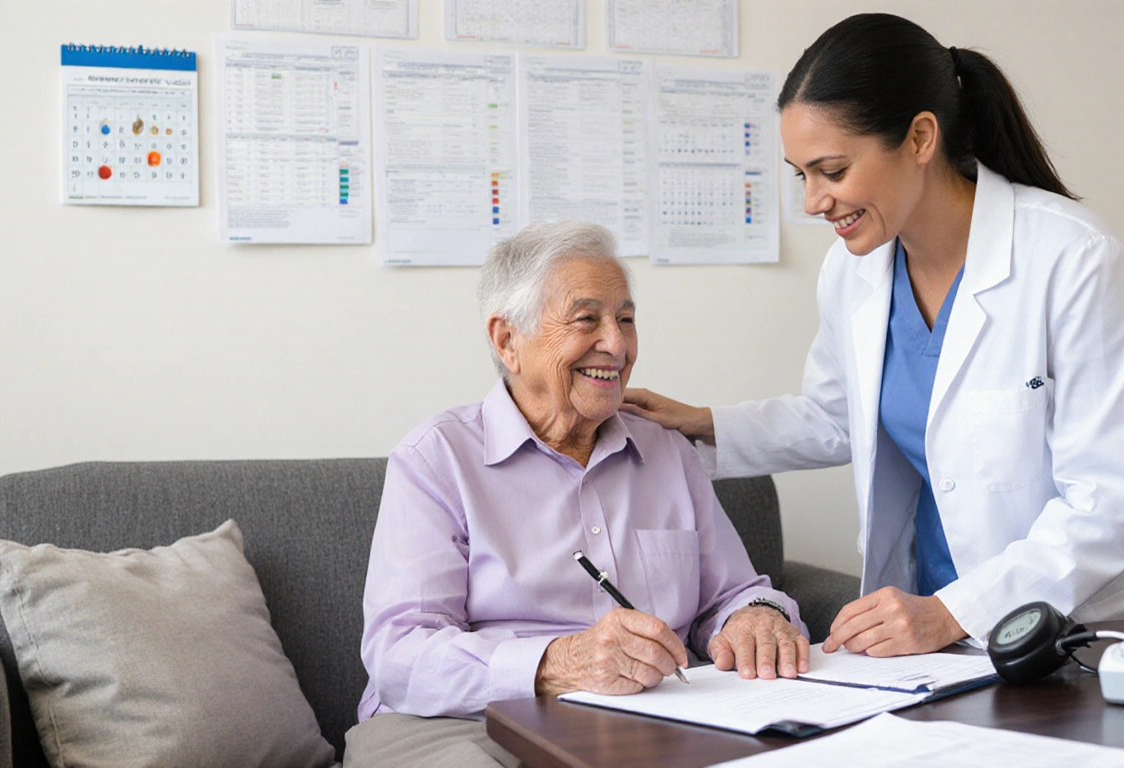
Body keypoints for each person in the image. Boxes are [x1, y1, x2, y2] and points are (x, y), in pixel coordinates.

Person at [623, 13, 1124, 659]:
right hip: (938, 635)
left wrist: (953, 612)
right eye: (801, 175)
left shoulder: (1072, 260)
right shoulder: (856, 272)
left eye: (833, 170)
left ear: (921, 137)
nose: (815, 201)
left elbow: (1109, 501)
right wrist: (702, 422)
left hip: (1093, 629)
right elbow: (839, 417)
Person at [347, 221, 809, 768]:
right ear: (506, 340)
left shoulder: (667, 453)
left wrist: (755, 616)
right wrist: (556, 663)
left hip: (647, 717)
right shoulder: (436, 459)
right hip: (462, 724)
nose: (615, 344)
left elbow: (731, 594)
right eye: (587, 319)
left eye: (626, 319)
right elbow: (400, 655)